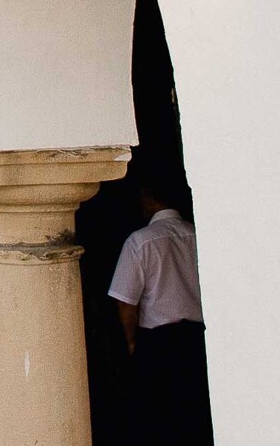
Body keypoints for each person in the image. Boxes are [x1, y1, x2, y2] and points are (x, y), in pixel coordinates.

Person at [109, 180, 212, 444]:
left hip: (159, 343)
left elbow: (126, 302)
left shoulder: (140, 242)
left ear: (148, 199)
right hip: (199, 340)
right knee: (196, 413)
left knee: (157, 419)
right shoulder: (198, 236)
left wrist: (132, 344)